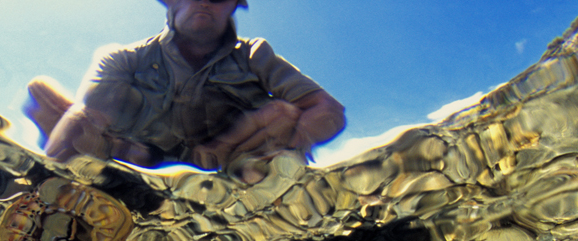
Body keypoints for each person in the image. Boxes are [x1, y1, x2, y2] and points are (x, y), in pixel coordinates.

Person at [24, 0, 345, 180]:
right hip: (135, 168)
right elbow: (87, 120)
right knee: (50, 101)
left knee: (284, 115)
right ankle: (39, 204)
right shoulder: (124, 59)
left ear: (234, 5)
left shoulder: (255, 55)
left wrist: (290, 144)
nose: (205, 1)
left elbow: (327, 109)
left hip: (237, 173)